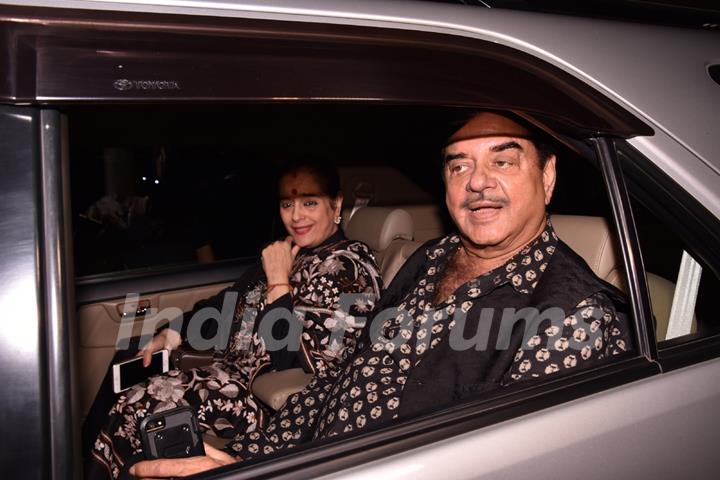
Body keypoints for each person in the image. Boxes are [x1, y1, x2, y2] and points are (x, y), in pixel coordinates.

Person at [129, 111, 633, 479]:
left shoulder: (570, 316)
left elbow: (492, 463)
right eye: (459, 167)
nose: (477, 182)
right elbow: (345, 375)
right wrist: (257, 457)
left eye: (503, 161)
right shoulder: (431, 258)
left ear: (547, 177)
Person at [85, 158, 383, 479]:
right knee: (130, 358)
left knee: (142, 409)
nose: (296, 216)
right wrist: (171, 333)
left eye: (309, 202)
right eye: (287, 204)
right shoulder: (285, 252)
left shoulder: (348, 267)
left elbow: (295, 365)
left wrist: (279, 283)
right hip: (225, 374)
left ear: (336, 204)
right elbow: (223, 305)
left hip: (272, 404)